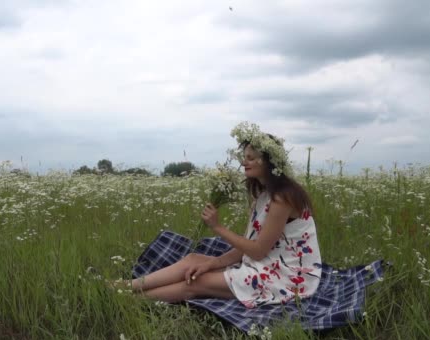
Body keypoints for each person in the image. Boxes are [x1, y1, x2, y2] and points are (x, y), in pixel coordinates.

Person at [129, 122, 322, 308]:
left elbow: (257, 251)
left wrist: (217, 227)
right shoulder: (263, 196)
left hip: (287, 277)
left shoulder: (283, 198)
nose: (244, 162)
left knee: (196, 281)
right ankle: (122, 288)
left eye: (252, 158)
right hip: (265, 263)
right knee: (193, 260)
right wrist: (213, 263)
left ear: (270, 162)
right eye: (245, 156)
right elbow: (248, 245)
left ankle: (128, 301)